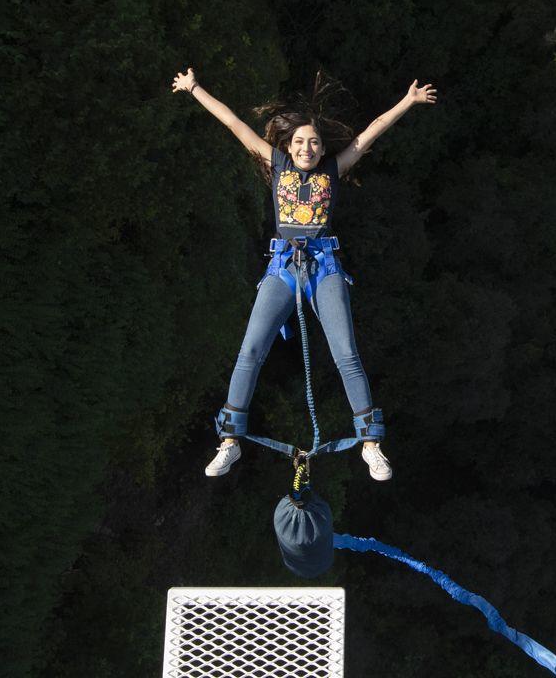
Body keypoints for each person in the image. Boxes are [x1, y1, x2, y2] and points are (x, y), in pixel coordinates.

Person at [171, 67, 437, 481]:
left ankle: (371, 444)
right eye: (299, 142)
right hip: (282, 267)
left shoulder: (333, 169)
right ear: (288, 146)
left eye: (313, 142)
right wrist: (194, 89)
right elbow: (233, 123)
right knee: (250, 351)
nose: (307, 147)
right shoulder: (275, 163)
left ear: (321, 147)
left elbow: (372, 133)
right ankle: (229, 442)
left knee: (346, 353)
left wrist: (408, 100)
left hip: (324, 266)